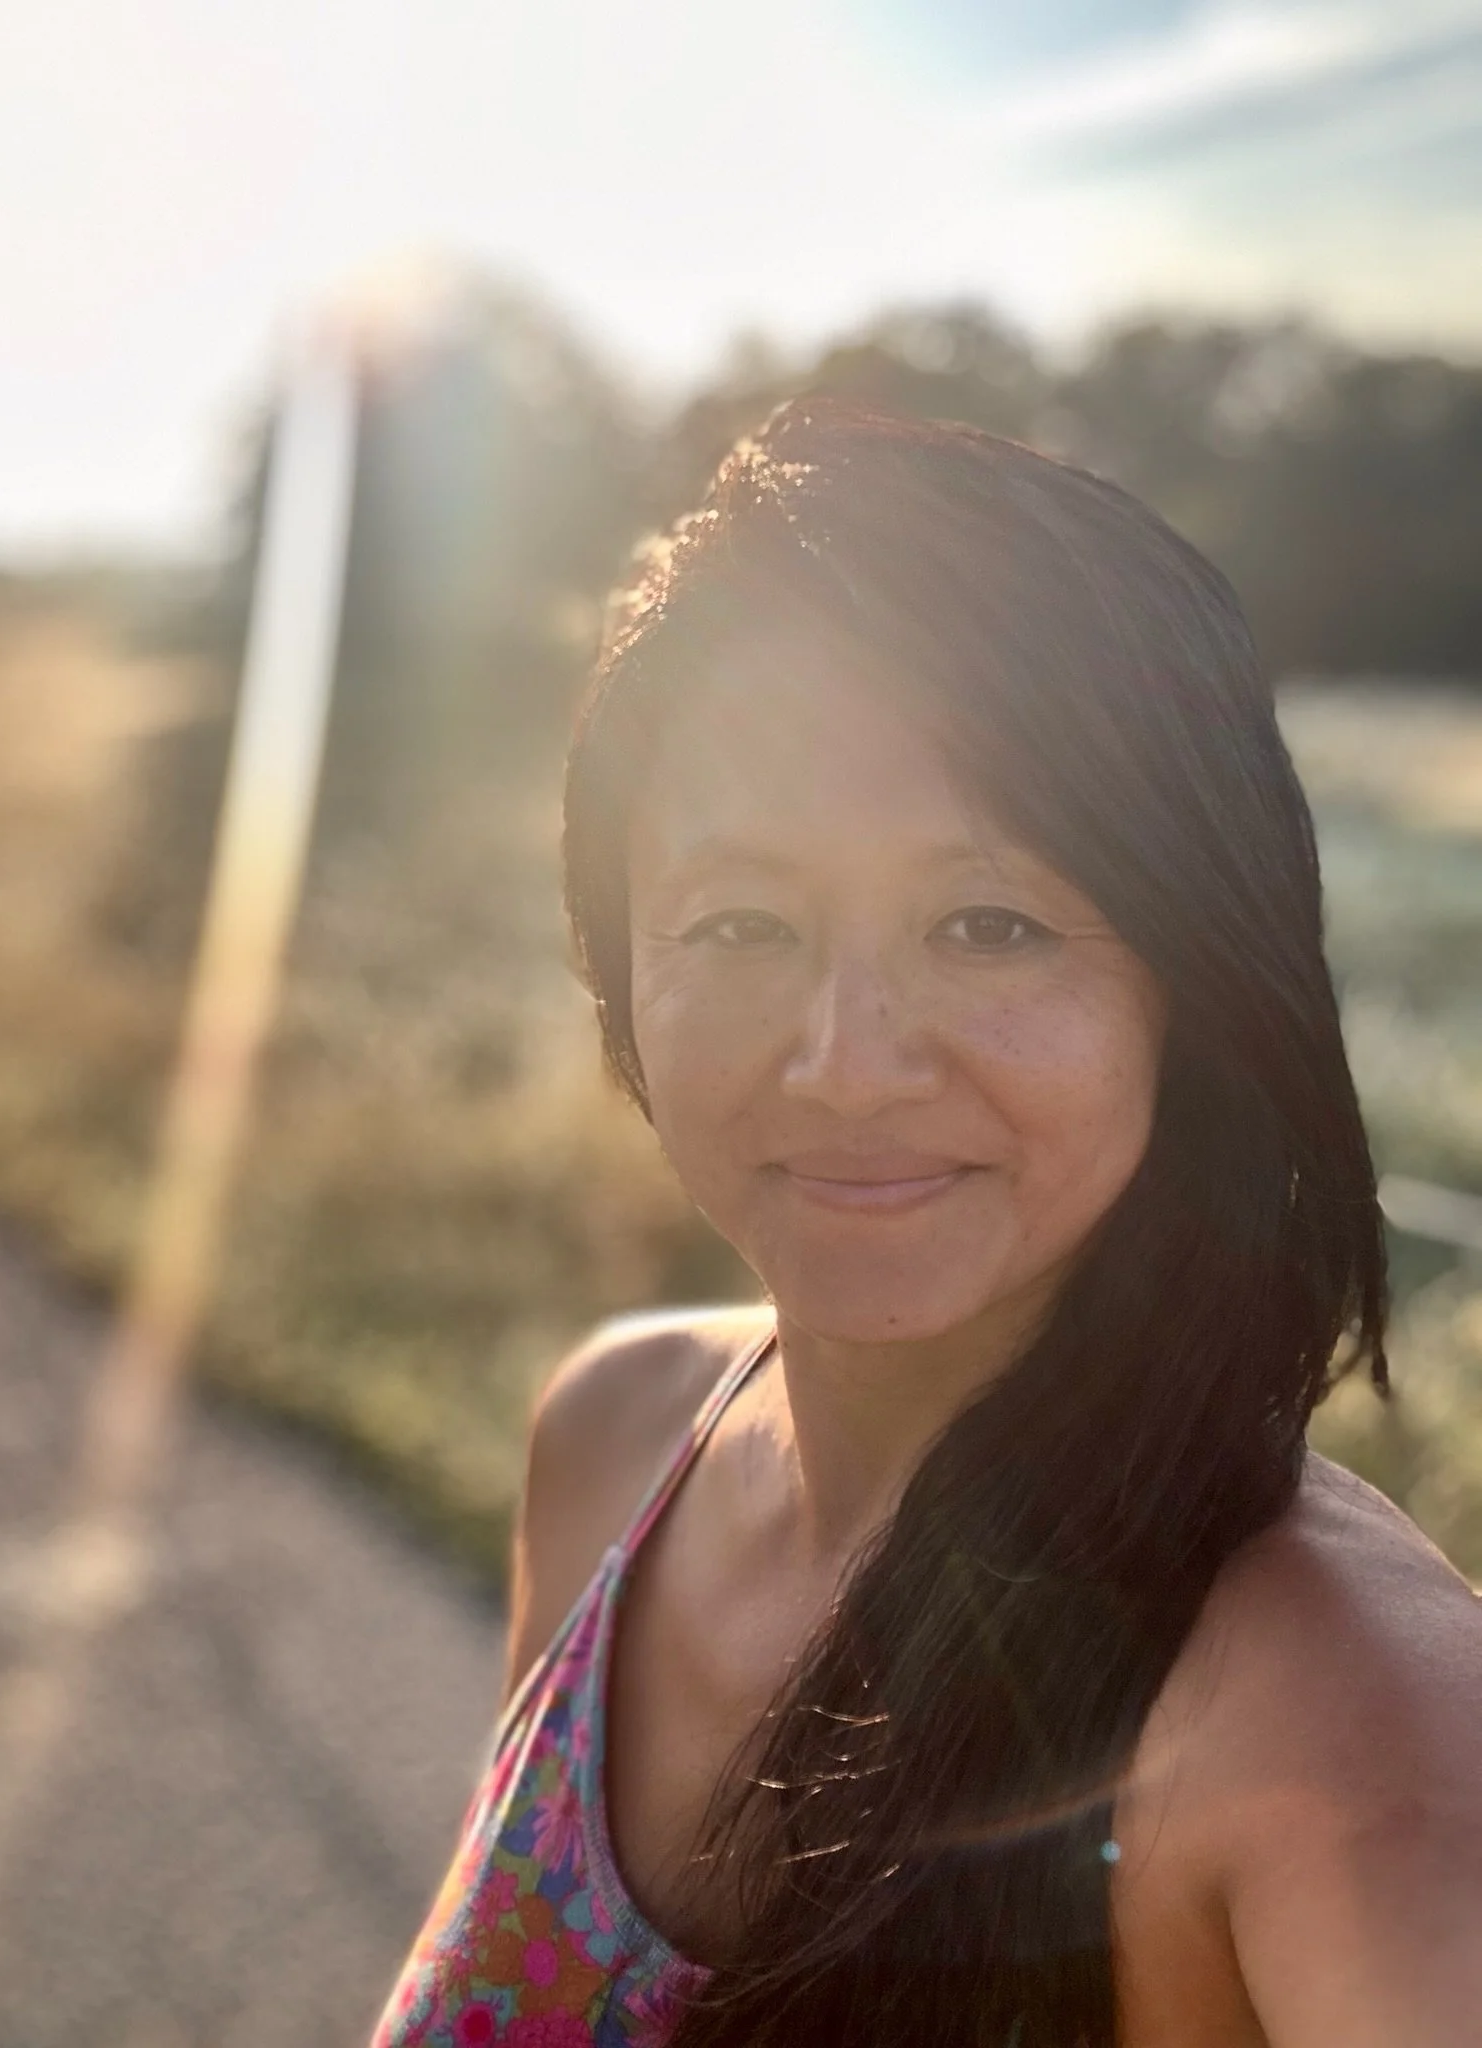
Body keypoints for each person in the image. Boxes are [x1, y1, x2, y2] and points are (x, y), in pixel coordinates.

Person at [374, 397, 1482, 2048]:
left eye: (990, 921)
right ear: (621, 965)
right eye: (740, 920)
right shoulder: (612, 1435)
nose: (846, 1064)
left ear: (1196, 979)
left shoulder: (1352, 1721)